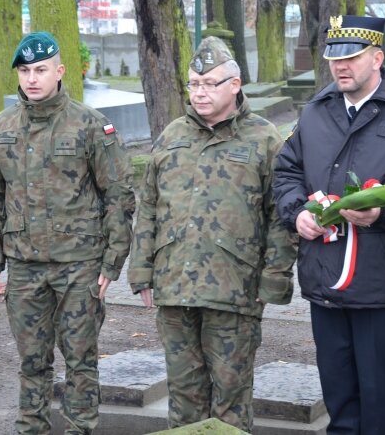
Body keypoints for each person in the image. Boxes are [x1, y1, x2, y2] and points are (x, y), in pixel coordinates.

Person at [273, 15, 385, 434]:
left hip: (384, 284)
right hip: (326, 281)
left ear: (377, 58)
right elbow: (285, 172)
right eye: (334, 58)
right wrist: (297, 211)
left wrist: (383, 212)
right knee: (339, 397)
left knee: (381, 401)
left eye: (352, 58)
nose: (341, 66)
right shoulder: (316, 112)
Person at [127, 36, 297, 432]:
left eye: (209, 84)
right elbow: (149, 205)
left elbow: (281, 216)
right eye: (194, 84)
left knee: (231, 398)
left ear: (235, 85)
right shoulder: (172, 135)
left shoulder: (264, 139)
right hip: (175, 285)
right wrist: (140, 272)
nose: (199, 93)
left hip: (235, 289)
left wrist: (273, 279)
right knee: (184, 396)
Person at [0, 32, 135, 434]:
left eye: (41, 69)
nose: (32, 78)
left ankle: (80, 428)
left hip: (79, 266)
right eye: (25, 70)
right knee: (31, 361)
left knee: (80, 360)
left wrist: (112, 261)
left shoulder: (90, 125)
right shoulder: (1, 128)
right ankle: (32, 428)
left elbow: (118, 194)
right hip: (25, 267)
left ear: (59, 71)